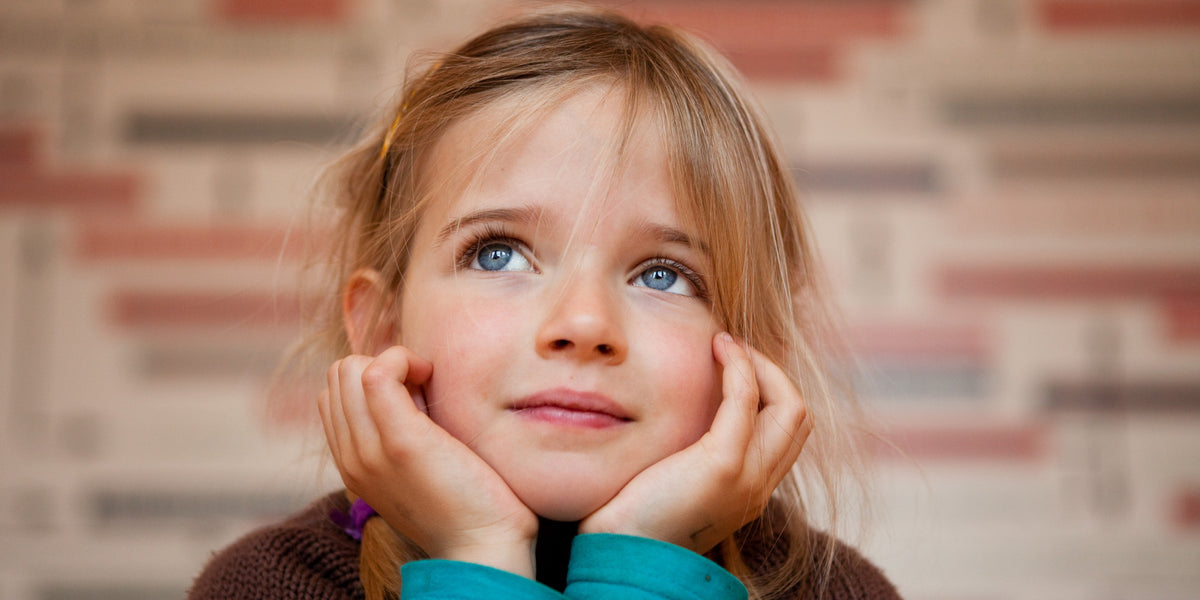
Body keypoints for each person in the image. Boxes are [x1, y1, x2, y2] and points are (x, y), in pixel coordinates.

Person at [188, 6, 901, 600]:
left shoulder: (837, 590)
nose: (584, 325)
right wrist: (478, 550)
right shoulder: (273, 583)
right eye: (496, 253)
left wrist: (643, 560)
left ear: (753, 350)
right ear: (379, 327)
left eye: (662, 274)